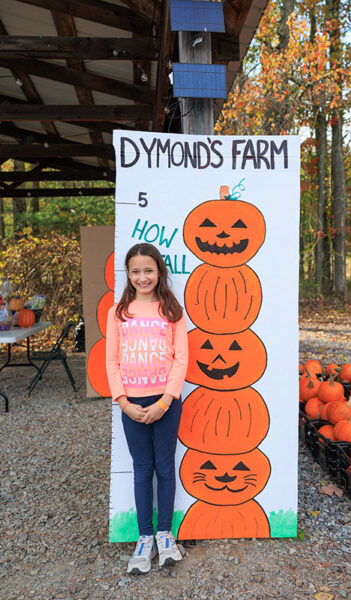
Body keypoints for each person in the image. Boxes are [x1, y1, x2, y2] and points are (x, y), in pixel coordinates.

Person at [106, 242, 188, 575]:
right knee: (143, 469)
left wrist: (166, 400)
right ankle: (144, 538)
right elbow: (111, 360)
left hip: (166, 402)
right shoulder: (119, 312)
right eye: (136, 271)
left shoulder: (171, 310)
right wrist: (123, 402)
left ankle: (165, 534)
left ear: (159, 272)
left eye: (148, 270)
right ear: (128, 273)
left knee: (165, 467)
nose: (143, 277)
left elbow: (181, 358)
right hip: (132, 405)